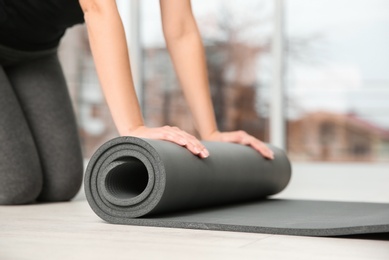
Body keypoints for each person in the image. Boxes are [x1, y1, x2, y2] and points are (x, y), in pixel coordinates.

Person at [0, 0, 273, 205]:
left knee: (61, 185)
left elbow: (181, 30)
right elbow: (99, 10)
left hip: (35, 50)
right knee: (16, 186)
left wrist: (211, 132)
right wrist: (133, 127)